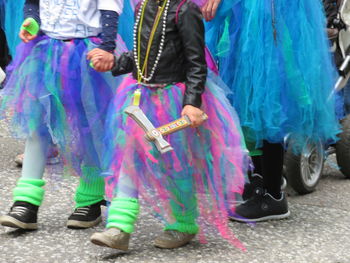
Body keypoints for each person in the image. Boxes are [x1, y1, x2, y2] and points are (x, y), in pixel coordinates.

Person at [88, 0, 247, 251]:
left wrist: (192, 102)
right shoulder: (142, 7)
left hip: (173, 99)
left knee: (175, 164)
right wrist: (115, 63)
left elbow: (196, 62)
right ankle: (119, 226)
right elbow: (142, 54)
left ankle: (182, 223)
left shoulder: (185, 10)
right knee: (128, 158)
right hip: (139, 96)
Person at [205, 0, 339, 222]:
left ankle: (273, 195)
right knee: (249, 97)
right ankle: (262, 181)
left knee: (266, 97)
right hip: (252, 15)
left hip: (269, 16)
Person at [0, 0, 122, 230]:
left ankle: (91, 198)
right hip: (46, 50)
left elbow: (110, 7)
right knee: (38, 127)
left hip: (87, 52)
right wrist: (32, 21)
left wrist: (107, 47)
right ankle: (26, 201)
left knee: (90, 127)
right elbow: (33, 3)